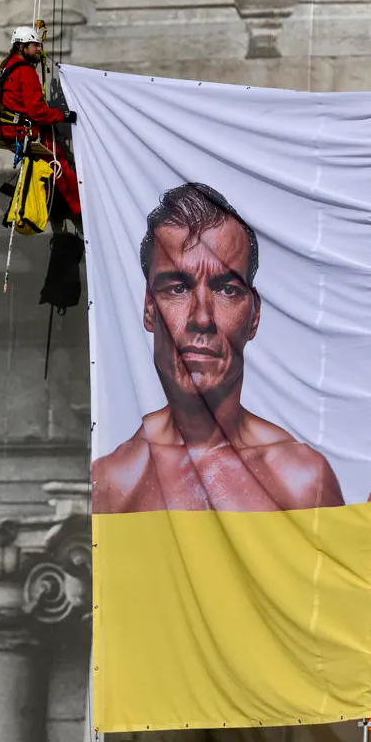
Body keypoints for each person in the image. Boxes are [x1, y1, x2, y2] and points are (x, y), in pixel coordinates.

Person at [93, 183, 344, 512]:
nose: (201, 317)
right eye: (178, 288)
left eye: (226, 289)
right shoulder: (116, 480)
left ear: (254, 316)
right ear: (150, 309)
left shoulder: (301, 479)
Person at [0, 23, 80, 221]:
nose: (39, 49)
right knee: (58, 162)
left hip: (2, 129)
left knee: (41, 164)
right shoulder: (26, 73)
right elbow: (37, 112)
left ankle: (52, 200)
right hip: (21, 131)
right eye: (34, 45)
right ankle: (78, 208)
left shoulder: (3, 66)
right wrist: (64, 115)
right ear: (21, 46)